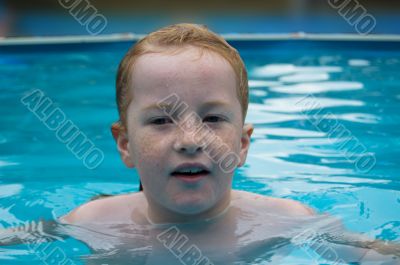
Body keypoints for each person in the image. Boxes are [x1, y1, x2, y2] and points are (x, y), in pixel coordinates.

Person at [2, 23, 399, 264]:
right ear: (124, 145)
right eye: (160, 120)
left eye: (212, 118)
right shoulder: (93, 221)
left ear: (242, 145)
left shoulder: (287, 219)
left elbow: (369, 254)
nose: (190, 140)